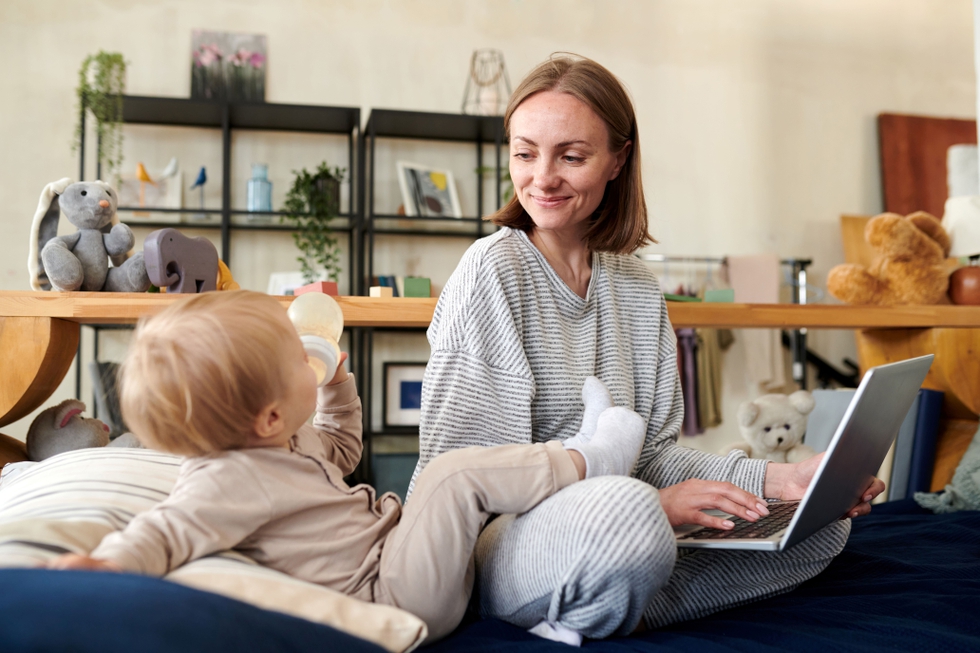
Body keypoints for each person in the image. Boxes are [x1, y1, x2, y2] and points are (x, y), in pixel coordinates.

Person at [410, 54, 885, 646]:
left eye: (572, 156)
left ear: (618, 160)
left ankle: (618, 598)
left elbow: (657, 453)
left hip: (614, 527)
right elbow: (458, 479)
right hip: (501, 543)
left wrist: (779, 479)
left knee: (819, 527)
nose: (542, 178)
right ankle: (620, 572)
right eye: (525, 153)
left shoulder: (634, 286)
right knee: (629, 515)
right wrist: (650, 505)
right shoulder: (491, 271)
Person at [44, 289, 651, 643]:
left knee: (459, 493)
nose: (312, 356)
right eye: (296, 357)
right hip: (394, 595)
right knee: (449, 474)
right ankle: (591, 457)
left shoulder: (283, 440)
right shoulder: (226, 479)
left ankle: (568, 468)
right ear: (268, 416)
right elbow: (168, 528)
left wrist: (336, 385)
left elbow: (341, 450)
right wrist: (109, 562)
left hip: (401, 560)